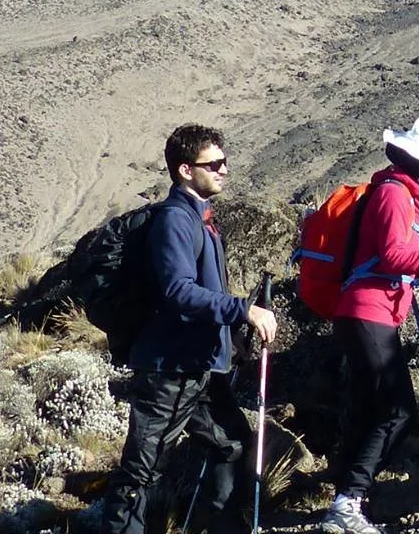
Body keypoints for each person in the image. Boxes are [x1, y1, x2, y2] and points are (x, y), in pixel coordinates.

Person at [103, 126, 278, 534]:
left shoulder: (201, 219)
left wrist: (231, 338)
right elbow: (178, 290)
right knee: (142, 471)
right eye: (213, 164)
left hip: (197, 368)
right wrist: (242, 311)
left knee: (230, 442)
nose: (223, 171)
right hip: (170, 369)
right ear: (185, 170)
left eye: (224, 162)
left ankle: (213, 524)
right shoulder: (176, 221)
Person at [321, 117, 419, 534]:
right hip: (370, 312)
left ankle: (344, 501)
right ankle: (349, 501)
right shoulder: (395, 196)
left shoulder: (399, 194)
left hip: (364, 312)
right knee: (397, 410)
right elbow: (396, 256)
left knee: (367, 410)